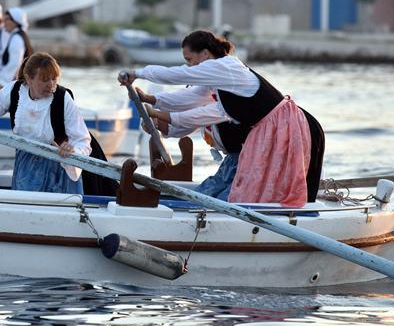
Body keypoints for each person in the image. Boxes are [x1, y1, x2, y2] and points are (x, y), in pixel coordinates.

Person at [119, 29, 324, 207]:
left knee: (273, 190)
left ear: (205, 54)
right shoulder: (217, 79)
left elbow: (179, 76)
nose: (189, 66)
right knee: (251, 189)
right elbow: (193, 97)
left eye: (190, 60)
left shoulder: (226, 67)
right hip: (272, 130)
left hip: (288, 128)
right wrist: (152, 99)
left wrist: (138, 73)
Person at [0, 53, 92, 194]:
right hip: (26, 167)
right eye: (44, 79)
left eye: (54, 78)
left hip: (59, 168)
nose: (51, 84)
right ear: (29, 78)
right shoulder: (14, 91)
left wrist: (72, 150)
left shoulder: (63, 98)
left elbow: (82, 140)